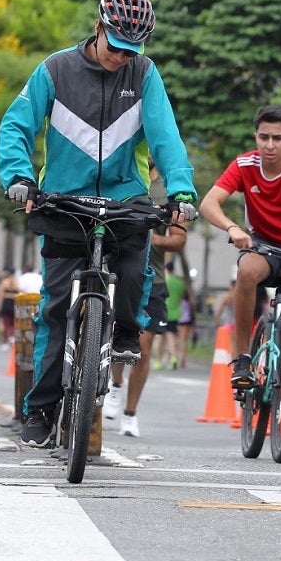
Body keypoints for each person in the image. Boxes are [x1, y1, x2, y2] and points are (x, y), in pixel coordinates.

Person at [0, 0, 197, 448]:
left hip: (125, 197)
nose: (121, 57)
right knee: (53, 306)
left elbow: (166, 137)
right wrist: (19, 177)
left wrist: (182, 188)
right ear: (97, 28)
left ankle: (125, 330)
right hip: (65, 199)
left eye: (132, 51)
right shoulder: (55, 69)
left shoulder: (145, 75)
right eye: (116, 46)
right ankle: (42, 409)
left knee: (133, 266)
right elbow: (16, 127)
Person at [200, 103, 281, 441]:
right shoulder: (244, 166)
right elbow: (208, 203)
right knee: (245, 272)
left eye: (277, 138)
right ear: (255, 137)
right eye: (263, 137)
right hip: (265, 248)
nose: (269, 145)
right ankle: (242, 358)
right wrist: (232, 228)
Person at [104, 163, 186, 438]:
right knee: (117, 336)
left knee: (144, 348)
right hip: (117, 274)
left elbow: (178, 240)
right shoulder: (120, 172)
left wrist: (147, 235)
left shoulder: (167, 187)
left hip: (155, 280)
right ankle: (115, 383)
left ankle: (130, 413)